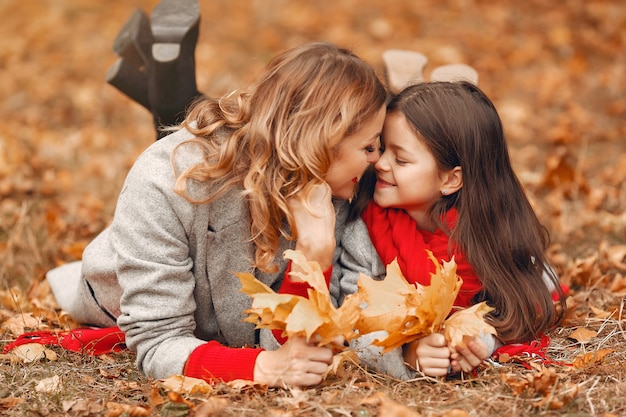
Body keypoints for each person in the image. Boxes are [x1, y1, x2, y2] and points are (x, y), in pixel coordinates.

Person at [46, 41, 388, 388]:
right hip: (119, 294)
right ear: (321, 143)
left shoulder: (333, 191)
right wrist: (267, 368)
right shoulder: (163, 181)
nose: (379, 161)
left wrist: (313, 253)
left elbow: (285, 345)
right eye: (370, 147)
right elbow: (158, 343)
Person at [336, 80, 566, 379]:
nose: (379, 163)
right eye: (381, 148)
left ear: (450, 180)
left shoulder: (490, 232)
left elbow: (534, 285)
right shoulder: (365, 234)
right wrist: (407, 354)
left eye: (401, 159)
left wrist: (478, 338)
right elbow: (353, 319)